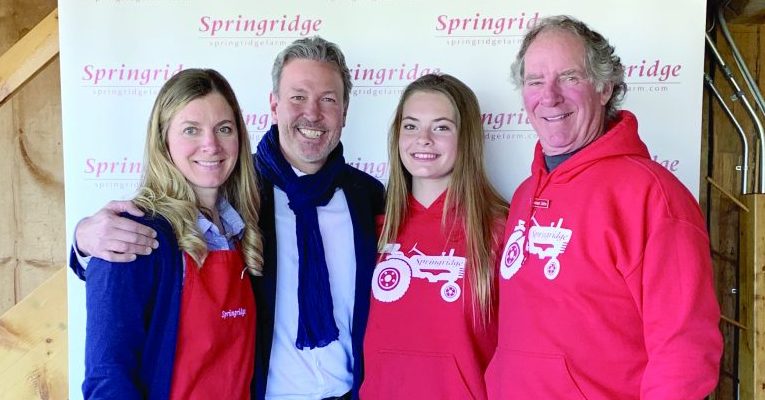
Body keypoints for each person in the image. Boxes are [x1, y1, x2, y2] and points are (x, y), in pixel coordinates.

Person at [71, 37, 384, 400]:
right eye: (298, 96)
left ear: (345, 110)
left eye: (328, 99)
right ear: (274, 105)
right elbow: (111, 358)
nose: (312, 113)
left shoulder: (369, 197)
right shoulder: (243, 190)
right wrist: (82, 241)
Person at [485, 15, 723, 399]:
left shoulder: (653, 195)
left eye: (569, 77)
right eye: (535, 81)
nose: (549, 96)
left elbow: (685, 351)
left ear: (604, 87)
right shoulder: (526, 194)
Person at [81, 68, 263, 399]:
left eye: (224, 129)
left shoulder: (242, 230)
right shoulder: (133, 235)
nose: (211, 145)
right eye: (191, 130)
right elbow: (107, 378)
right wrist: (81, 239)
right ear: (163, 141)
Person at [359, 74, 507, 399]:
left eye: (441, 127)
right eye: (411, 126)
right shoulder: (371, 231)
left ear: (466, 138)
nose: (423, 139)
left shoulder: (499, 232)